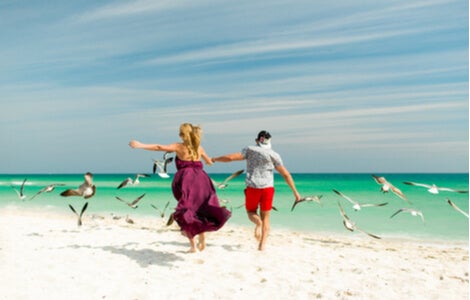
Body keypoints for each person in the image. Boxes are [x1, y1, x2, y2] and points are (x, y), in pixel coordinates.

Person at [129, 123, 231, 253]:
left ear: (183, 135)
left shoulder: (179, 146)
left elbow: (158, 147)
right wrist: (211, 160)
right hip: (202, 180)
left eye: (180, 133)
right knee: (202, 208)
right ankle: (202, 236)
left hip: (187, 180)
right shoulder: (199, 148)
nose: (179, 135)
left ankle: (193, 246)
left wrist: (140, 145)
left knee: (187, 210)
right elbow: (209, 162)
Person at [211, 130, 301, 251]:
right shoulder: (274, 155)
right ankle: (262, 246)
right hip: (268, 189)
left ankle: (258, 223)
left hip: (253, 188)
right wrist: (295, 191)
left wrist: (215, 159)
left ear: (257, 140)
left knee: (250, 212)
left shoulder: (250, 149)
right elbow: (286, 175)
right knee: (267, 218)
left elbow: (230, 158)